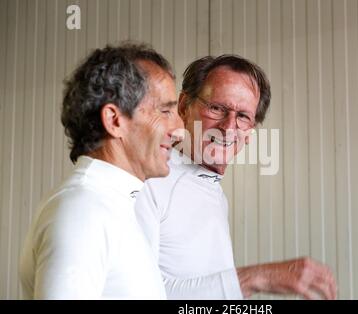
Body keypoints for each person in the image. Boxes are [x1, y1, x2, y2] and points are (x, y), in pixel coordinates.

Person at [135, 55, 337, 300]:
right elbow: (137, 293)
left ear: (250, 132)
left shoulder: (213, 191)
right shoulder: (147, 183)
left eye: (243, 116)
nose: (229, 128)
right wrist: (258, 278)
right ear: (184, 106)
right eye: (217, 108)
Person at [20, 43, 184, 299]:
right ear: (114, 120)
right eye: (165, 111)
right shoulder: (83, 210)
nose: (179, 128)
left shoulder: (110, 205)